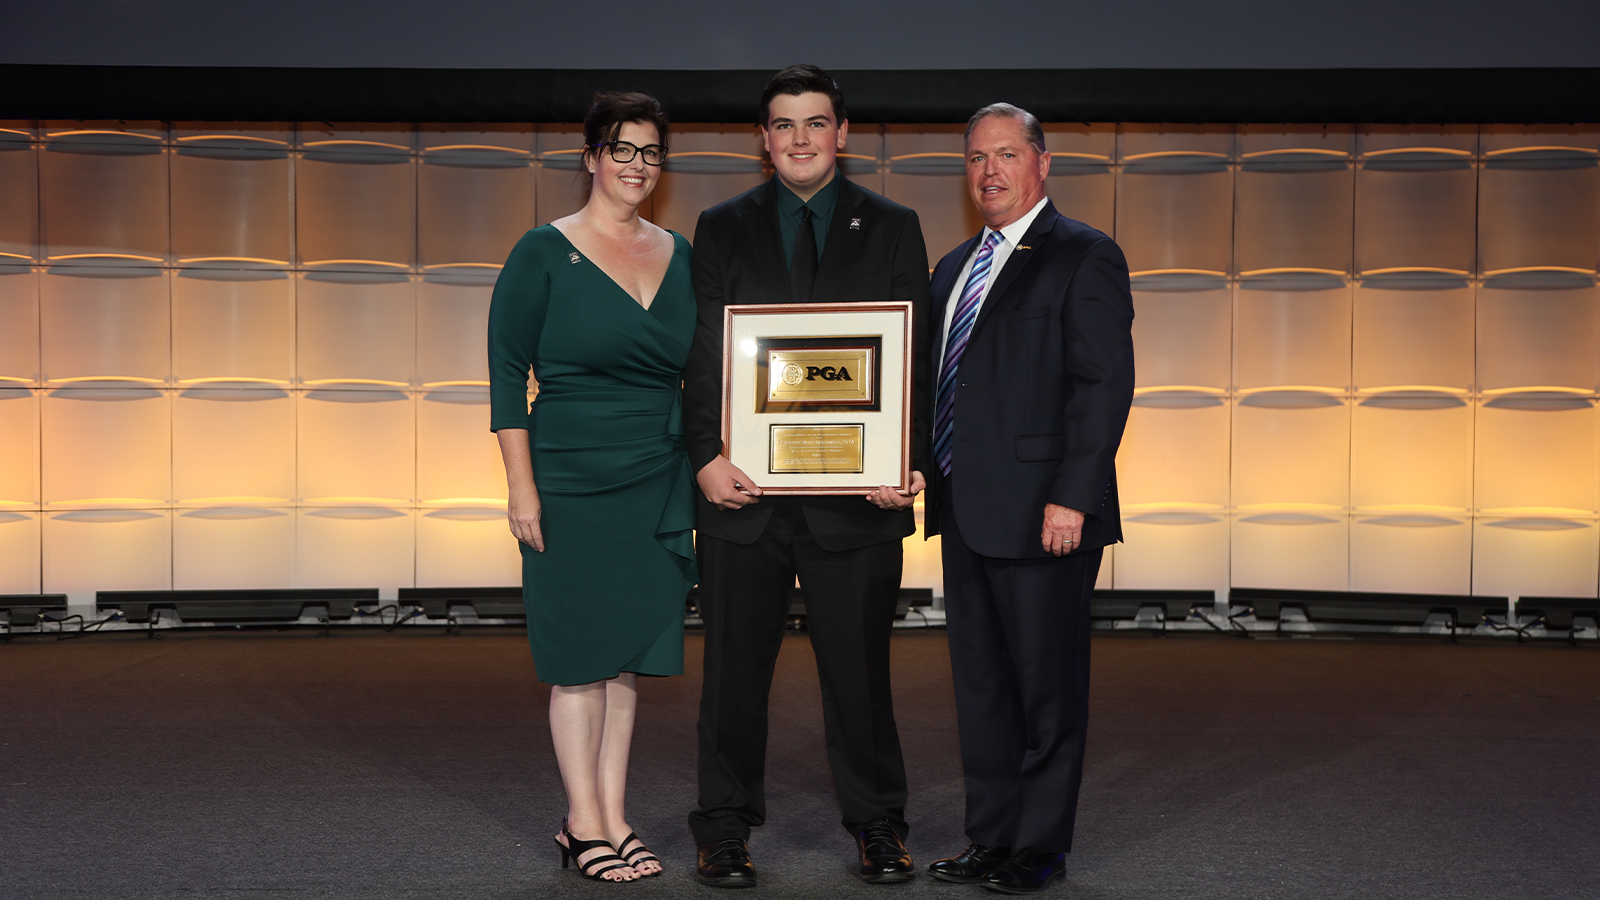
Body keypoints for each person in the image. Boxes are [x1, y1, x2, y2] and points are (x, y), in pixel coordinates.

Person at [680, 64, 933, 888]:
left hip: (855, 503)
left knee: (860, 680)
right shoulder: (718, 228)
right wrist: (704, 458)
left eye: (815, 123)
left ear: (842, 133)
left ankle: (879, 826)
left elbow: (914, 363)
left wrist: (907, 459)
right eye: (784, 124)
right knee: (731, 681)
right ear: (764, 139)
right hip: (740, 496)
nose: (799, 138)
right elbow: (701, 357)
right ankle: (722, 831)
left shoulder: (894, 227)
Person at [922, 103, 1134, 894]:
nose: (990, 171)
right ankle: (991, 836)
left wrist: (1072, 497)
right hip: (966, 510)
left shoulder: (1084, 255)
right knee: (981, 691)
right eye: (977, 157)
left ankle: (1039, 845)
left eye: (1007, 154)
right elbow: (939, 387)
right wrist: (913, 467)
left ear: (1041, 164)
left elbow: (1104, 385)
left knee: (1046, 692)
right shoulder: (951, 268)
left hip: (1048, 514)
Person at [487, 91, 697, 884]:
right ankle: (581, 825)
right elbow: (508, 377)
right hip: (568, 475)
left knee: (626, 658)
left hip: (655, 472)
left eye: (650, 151)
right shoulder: (542, 251)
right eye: (622, 149)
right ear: (590, 158)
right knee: (579, 657)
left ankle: (613, 814)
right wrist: (522, 488)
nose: (637, 165)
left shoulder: (680, 253)